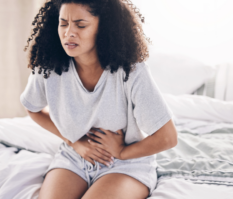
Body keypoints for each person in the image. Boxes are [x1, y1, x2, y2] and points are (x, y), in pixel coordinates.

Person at [20, 0, 178, 198]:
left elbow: (168, 138)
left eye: (81, 25)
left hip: (126, 164)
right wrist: (74, 141)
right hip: (74, 158)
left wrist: (121, 152)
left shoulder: (131, 71)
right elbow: (32, 108)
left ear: (104, 28)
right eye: (63, 23)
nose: (69, 32)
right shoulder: (49, 66)